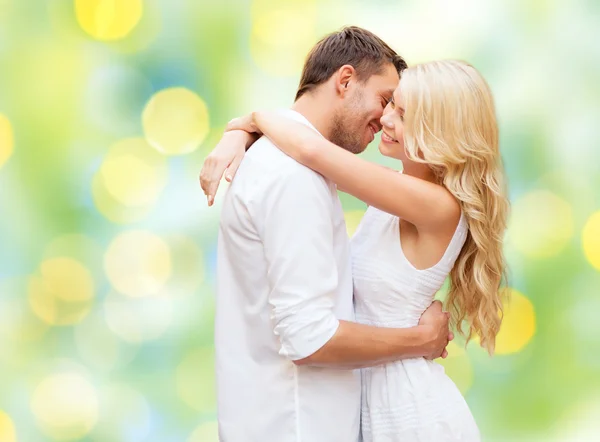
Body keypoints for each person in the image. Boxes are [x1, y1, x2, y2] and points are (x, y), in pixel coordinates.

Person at [202, 58, 510, 441]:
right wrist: (241, 134)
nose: (386, 118)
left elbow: (312, 152)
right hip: (370, 405)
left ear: (438, 130)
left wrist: (249, 121)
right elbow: (306, 156)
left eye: (402, 113)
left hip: (411, 415)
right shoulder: (395, 192)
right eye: (391, 103)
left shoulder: (437, 205)